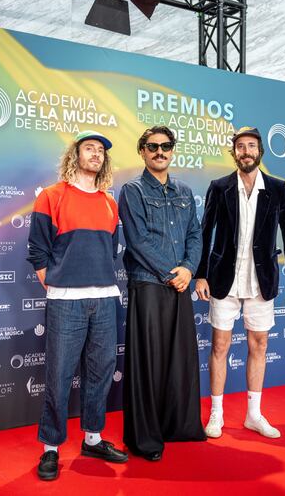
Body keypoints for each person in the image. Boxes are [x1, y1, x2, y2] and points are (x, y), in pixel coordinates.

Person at [27, 130, 128, 481]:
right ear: (76, 155)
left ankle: (93, 438)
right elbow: (37, 249)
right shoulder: (52, 197)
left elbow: (111, 248)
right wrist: (53, 280)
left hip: (104, 300)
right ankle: (51, 448)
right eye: (90, 149)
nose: (96, 155)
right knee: (58, 376)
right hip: (65, 302)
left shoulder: (108, 202)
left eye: (101, 151)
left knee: (100, 374)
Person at [195, 126, 285, 439]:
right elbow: (205, 232)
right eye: (240, 146)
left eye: (251, 146)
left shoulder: (278, 188)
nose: (246, 151)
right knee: (219, 345)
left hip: (262, 279)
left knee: (260, 344)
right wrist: (201, 273)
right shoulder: (219, 187)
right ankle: (217, 414)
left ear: (260, 152)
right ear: (234, 152)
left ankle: (254, 414)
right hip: (223, 280)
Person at [119, 125, 206, 461]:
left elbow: (195, 236)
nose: (160, 151)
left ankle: (180, 427)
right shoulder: (132, 190)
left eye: (166, 146)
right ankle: (146, 439)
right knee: (149, 364)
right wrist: (174, 274)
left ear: (173, 150)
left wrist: (188, 270)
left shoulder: (185, 191)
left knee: (179, 362)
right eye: (152, 146)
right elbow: (138, 241)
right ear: (142, 151)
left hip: (180, 284)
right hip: (149, 284)